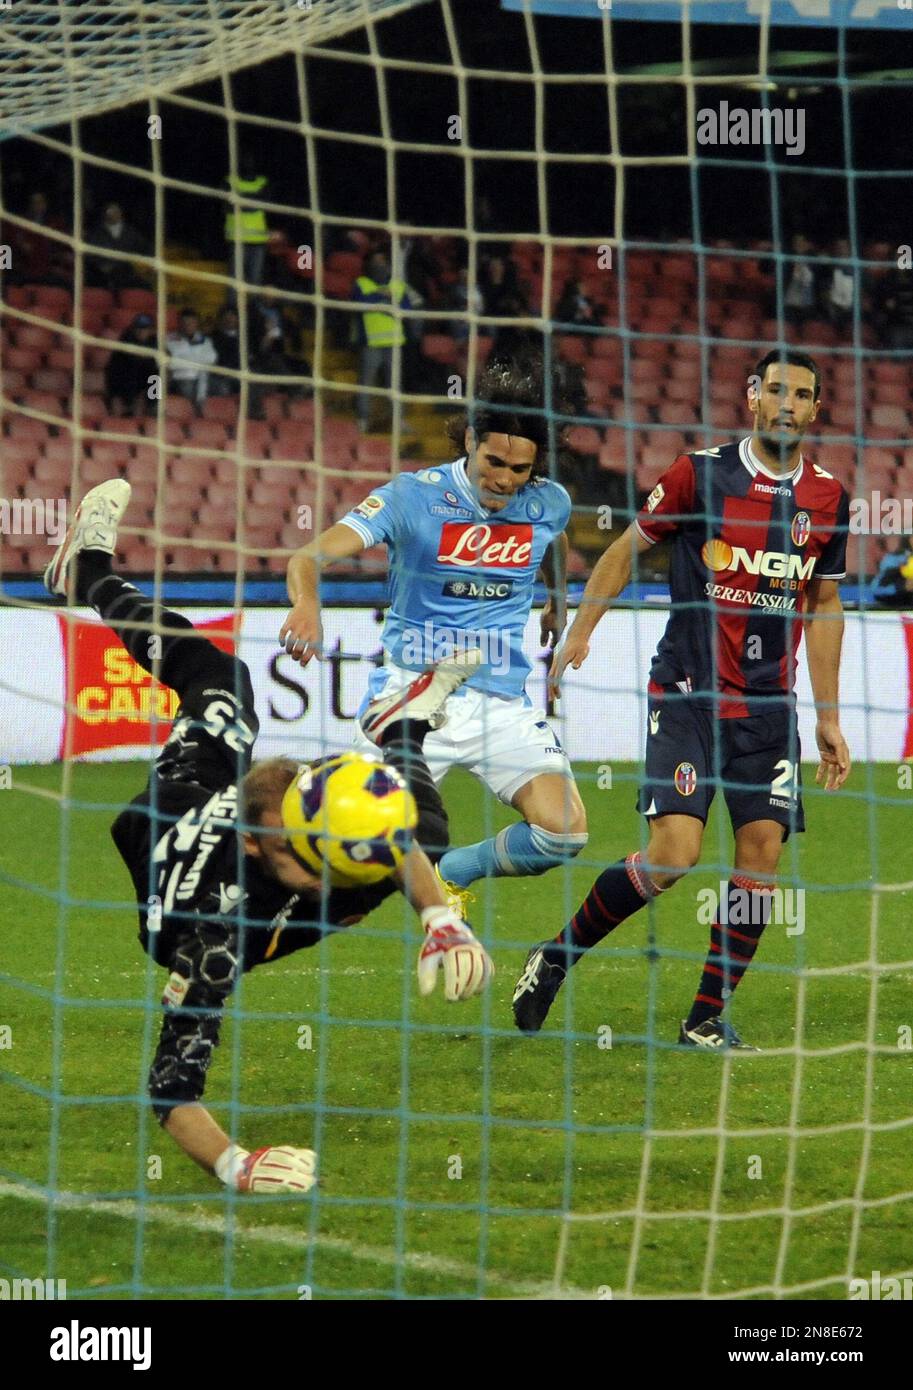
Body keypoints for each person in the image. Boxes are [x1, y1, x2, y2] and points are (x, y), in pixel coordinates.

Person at [42, 479, 493, 1194]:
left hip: (231, 812)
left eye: (328, 847)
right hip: (170, 820)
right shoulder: (215, 934)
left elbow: (389, 840)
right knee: (217, 673)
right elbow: (171, 1093)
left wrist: (440, 918)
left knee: (414, 826)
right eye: (304, 856)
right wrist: (236, 1165)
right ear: (257, 845)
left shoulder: (322, 814)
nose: (328, 872)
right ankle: (89, 572)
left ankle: (397, 725)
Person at [516, 348, 851, 1050]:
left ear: (815, 409)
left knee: (760, 854)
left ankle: (703, 1018)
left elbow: (824, 601)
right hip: (688, 694)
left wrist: (826, 715)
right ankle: (555, 956)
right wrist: (580, 630)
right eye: (776, 391)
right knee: (674, 855)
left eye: (802, 395)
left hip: (767, 708)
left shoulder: (828, 497)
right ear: (752, 397)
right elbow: (622, 550)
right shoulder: (699, 474)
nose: (787, 404)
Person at [280, 356, 589, 911]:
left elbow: (554, 540)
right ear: (469, 440)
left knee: (564, 834)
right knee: (343, 867)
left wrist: (556, 604)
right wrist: (307, 606)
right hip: (409, 701)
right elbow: (308, 555)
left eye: (520, 471)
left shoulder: (549, 502)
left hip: (500, 700)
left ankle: (451, 871)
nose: (505, 480)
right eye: (494, 462)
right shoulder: (410, 498)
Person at [352, 250, 418, 431]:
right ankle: (362, 420)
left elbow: (407, 308)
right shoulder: (361, 283)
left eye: (383, 262)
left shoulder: (398, 285)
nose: (379, 265)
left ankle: (398, 420)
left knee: (395, 383)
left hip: (395, 343)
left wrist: (385, 301)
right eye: (375, 261)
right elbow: (361, 302)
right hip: (370, 342)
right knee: (367, 383)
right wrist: (385, 297)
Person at [224, 153, 270, 293]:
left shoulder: (262, 182)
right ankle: (232, 311)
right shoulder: (230, 181)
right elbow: (228, 205)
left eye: (251, 160)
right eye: (245, 159)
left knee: (255, 281)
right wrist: (254, 200)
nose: (248, 163)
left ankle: (253, 311)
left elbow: (265, 202)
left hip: (258, 241)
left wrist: (241, 199)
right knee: (235, 280)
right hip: (237, 239)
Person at [86, 201, 151, 291]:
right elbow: (89, 255)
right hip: (101, 277)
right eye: (110, 211)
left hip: (128, 275)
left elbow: (146, 250)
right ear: (105, 213)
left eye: (116, 211)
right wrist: (101, 266)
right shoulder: (96, 234)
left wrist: (141, 265)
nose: (113, 214)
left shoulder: (131, 233)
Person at [104, 313, 158, 415]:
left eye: (145, 329)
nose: (141, 331)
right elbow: (132, 359)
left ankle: (152, 406)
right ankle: (128, 405)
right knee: (132, 371)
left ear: (150, 330)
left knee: (156, 375)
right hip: (121, 379)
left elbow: (165, 356)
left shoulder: (153, 340)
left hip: (142, 377)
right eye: (139, 328)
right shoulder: (126, 338)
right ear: (134, 328)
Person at [166, 308, 217, 409]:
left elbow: (212, 358)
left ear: (197, 323)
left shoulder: (205, 340)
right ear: (179, 323)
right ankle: (192, 416)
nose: (188, 325)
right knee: (188, 387)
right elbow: (171, 363)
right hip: (180, 377)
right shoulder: (169, 339)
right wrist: (198, 359)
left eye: (191, 322)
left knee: (222, 387)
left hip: (203, 377)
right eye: (185, 322)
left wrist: (185, 359)